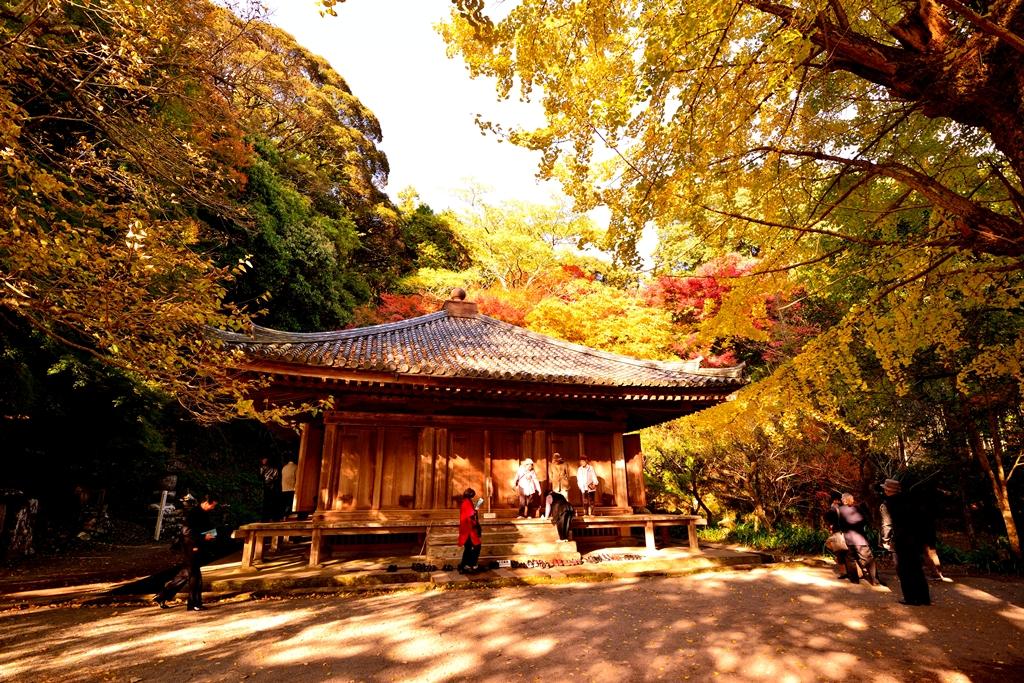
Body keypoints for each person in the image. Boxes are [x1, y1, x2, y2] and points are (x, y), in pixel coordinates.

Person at [155, 493, 218, 611]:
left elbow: (208, 528)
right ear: (205, 503)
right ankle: (194, 603)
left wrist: (212, 535)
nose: (213, 508)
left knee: (186, 574)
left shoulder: (204, 514)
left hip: (197, 545)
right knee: (194, 576)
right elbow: (186, 532)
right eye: (212, 505)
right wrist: (203, 538)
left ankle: (162, 596)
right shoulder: (193, 513)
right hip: (190, 546)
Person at [880, 478, 931, 606]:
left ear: (887, 490)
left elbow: (887, 524)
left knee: (904, 570)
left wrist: (885, 540)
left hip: (901, 540)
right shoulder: (911, 499)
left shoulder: (887, 504)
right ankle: (924, 598)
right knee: (917, 569)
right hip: (916, 539)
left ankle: (910, 598)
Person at [837, 492, 879, 586]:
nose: (841, 500)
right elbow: (865, 521)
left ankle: (854, 580)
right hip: (860, 538)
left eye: (842, 499)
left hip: (848, 538)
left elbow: (838, 524)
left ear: (844, 500)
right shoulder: (858, 509)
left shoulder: (839, 510)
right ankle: (874, 580)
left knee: (850, 559)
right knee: (868, 558)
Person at [823, 492, 852, 579]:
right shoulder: (846, 508)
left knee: (839, 552)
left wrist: (830, 526)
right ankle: (852, 571)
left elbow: (827, 519)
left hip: (838, 533)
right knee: (849, 552)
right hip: (849, 533)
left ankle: (843, 572)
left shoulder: (833, 510)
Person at [457, 488, 482, 573]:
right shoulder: (467, 502)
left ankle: (464, 565)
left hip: (466, 529)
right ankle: (472, 565)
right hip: (469, 529)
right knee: (477, 547)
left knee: (468, 548)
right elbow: (471, 514)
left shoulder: (465, 501)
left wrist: (475, 509)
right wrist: (476, 510)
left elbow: (470, 512)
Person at [544, 452, 571, 518]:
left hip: (563, 485)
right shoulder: (551, 466)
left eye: (557, 459)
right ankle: (557, 514)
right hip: (556, 485)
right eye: (555, 460)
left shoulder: (565, 464)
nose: (556, 461)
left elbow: (568, 474)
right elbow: (550, 475)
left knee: (565, 500)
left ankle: (566, 514)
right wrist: (554, 480)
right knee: (556, 501)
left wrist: (566, 480)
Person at [259, 457, 280, 521]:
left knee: (270, 502)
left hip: (271, 486)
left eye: (265, 460)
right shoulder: (263, 468)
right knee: (268, 502)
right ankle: (268, 518)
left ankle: (270, 517)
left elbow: (276, 477)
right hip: (267, 486)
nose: (263, 461)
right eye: (263, 460)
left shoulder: (272, 469)